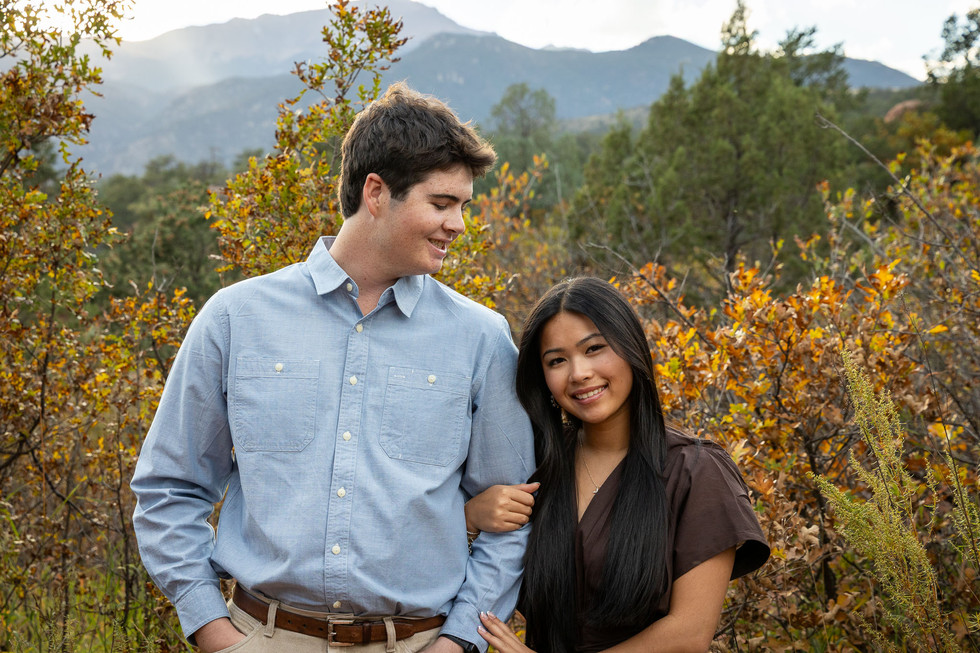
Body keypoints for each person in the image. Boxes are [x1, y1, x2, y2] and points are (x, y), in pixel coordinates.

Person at [131, 82, 535, 653]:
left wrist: (460, 641)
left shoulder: (481, 338)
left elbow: (512, 515)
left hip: (419, 643)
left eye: (462, 207)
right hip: (261, 639)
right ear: (376, 192)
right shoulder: (235, 318)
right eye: (442, 204)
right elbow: (170, 488)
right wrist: (214, 632)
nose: (458, 225)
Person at [465, 277, 769, 653]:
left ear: (631, 347)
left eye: (594, 349)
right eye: (557, 360)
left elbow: (689, 633)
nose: (578, 373)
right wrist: (469, 518)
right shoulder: (537, 463)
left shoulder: (696, 470)